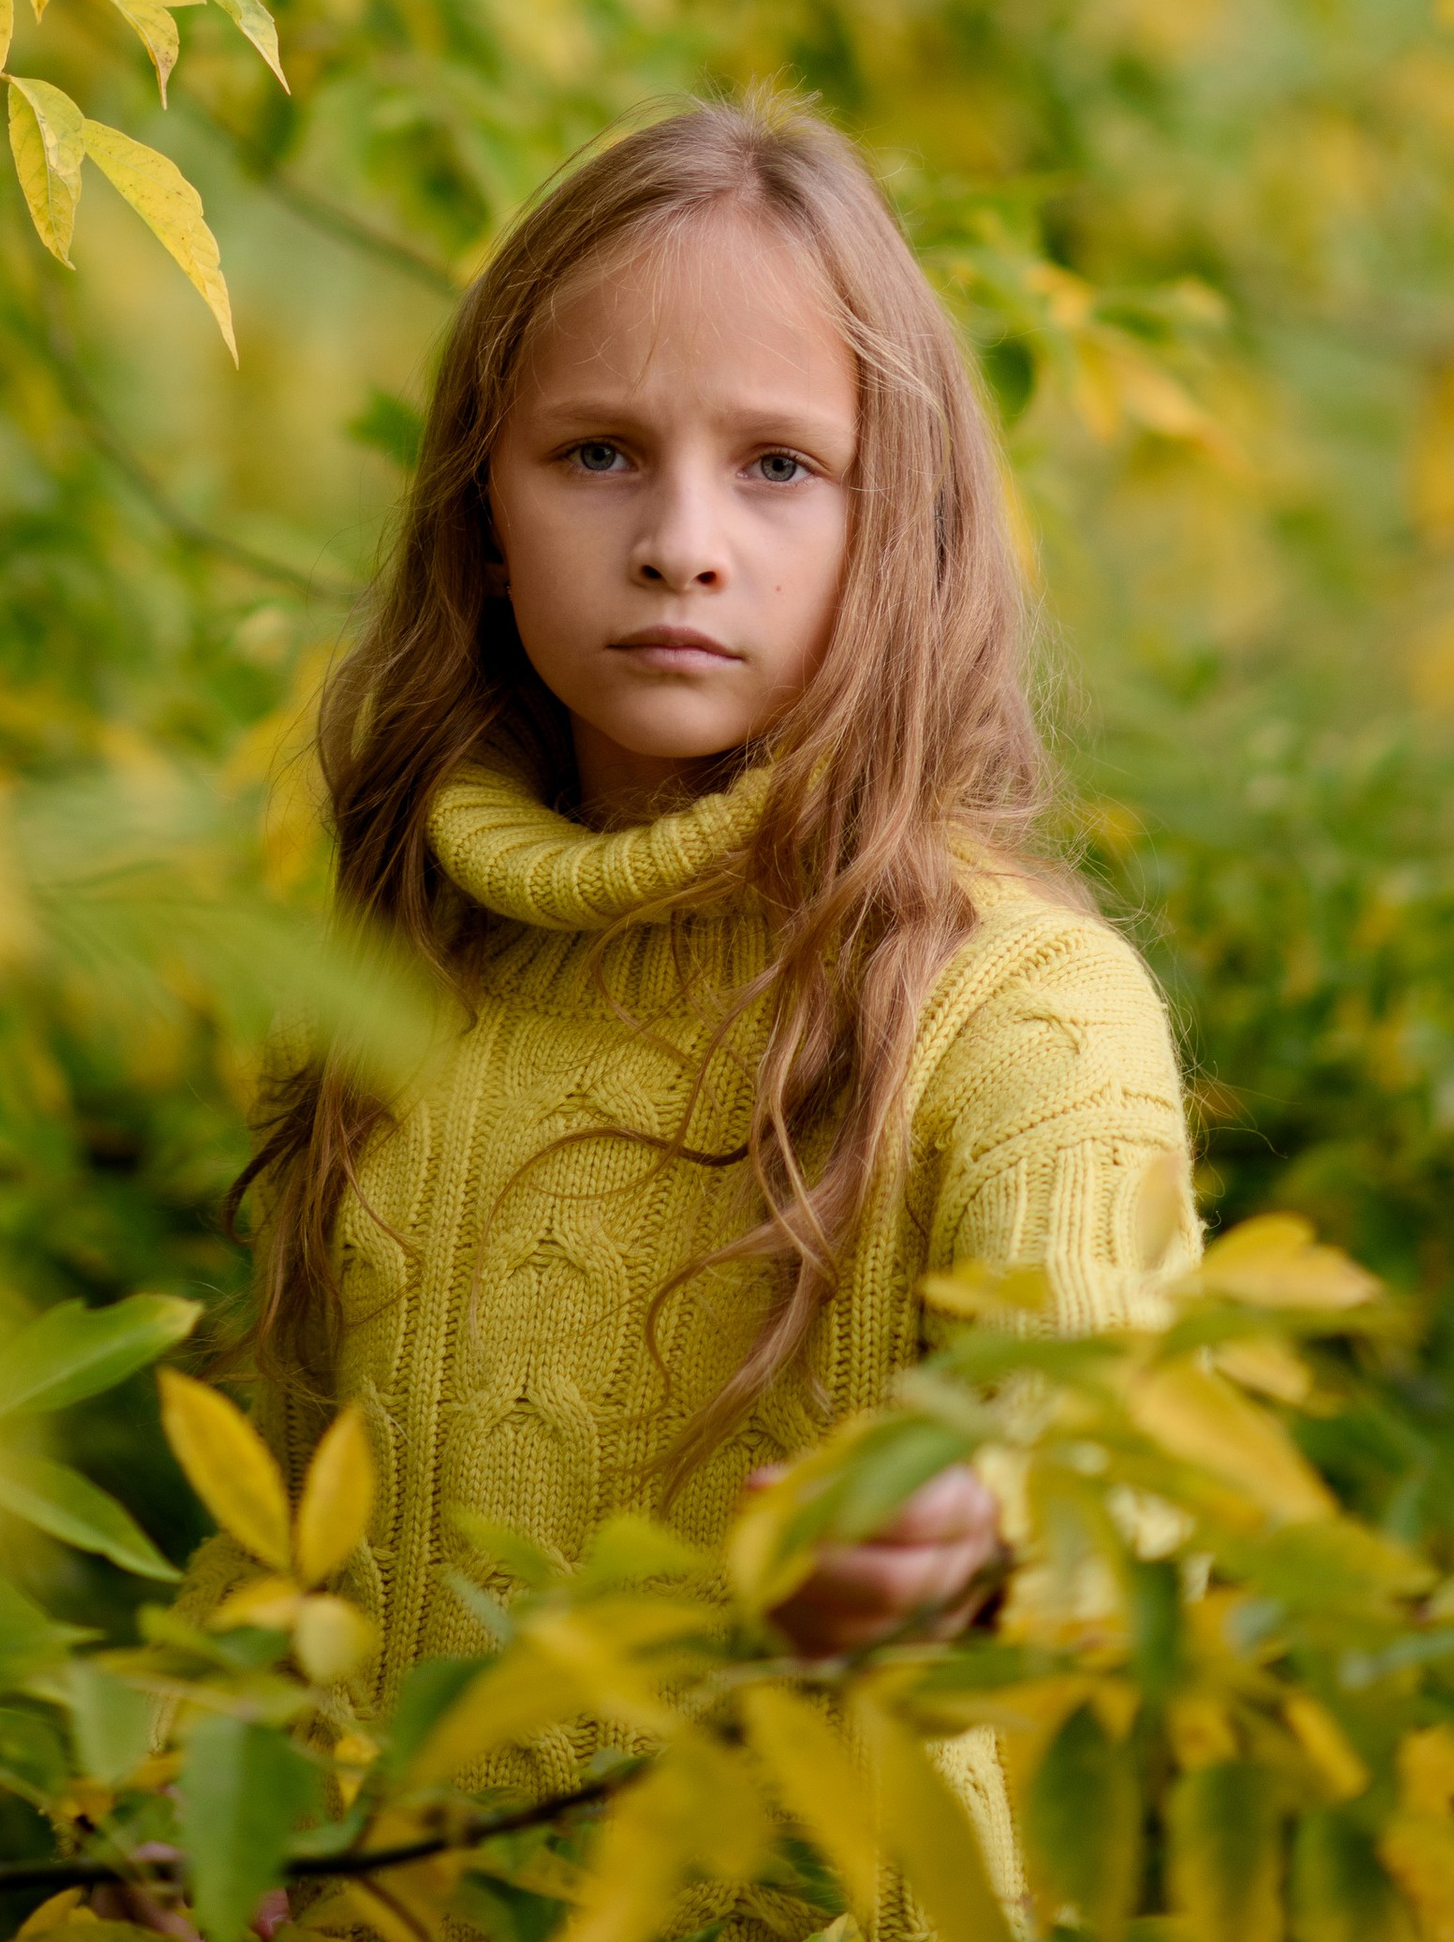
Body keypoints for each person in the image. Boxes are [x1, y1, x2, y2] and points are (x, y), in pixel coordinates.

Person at [216, 91, 1195, 1790]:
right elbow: (271, 1570)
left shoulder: (1021, 1015)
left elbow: (1123, 1480)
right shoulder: (393, 986)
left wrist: (984, 1541)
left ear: (899, 528)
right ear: (483, 514)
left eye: (779, 467)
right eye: (598, 453)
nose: (682, 543)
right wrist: (201, 1798)